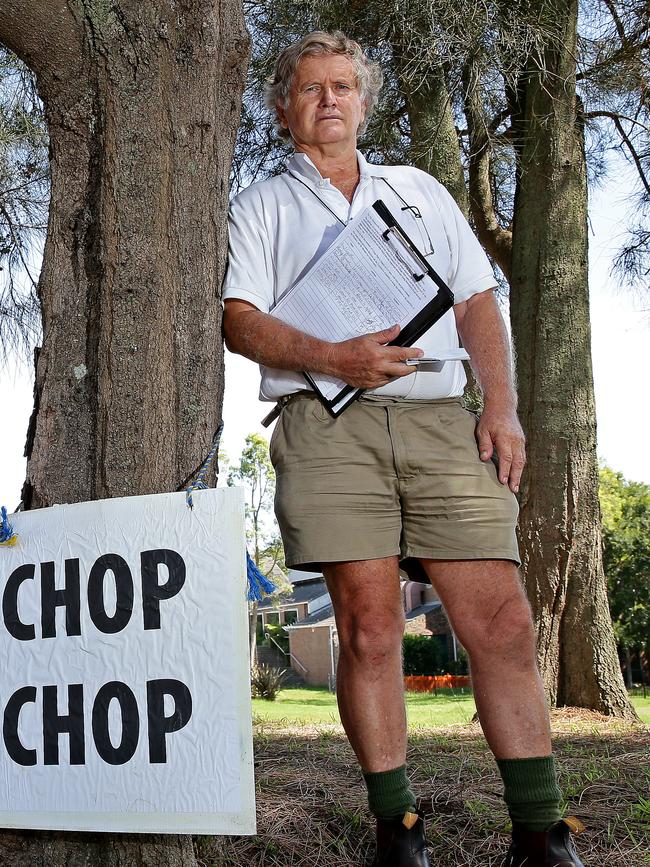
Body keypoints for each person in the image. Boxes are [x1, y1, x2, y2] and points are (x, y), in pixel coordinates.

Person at [223, 30, 586, 867]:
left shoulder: (417, 189)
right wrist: (334, 357)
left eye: (343, 85)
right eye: (310, 88)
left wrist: (504, 405)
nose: (329, 99)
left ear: (364, 99)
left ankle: (540, 831)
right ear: (285, 109)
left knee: (500, 619)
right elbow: (239, 321)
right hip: (328, 425)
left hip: (437, 419)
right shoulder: (261, 205)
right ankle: (400, 832)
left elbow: (476, 302)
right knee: (371, 627)